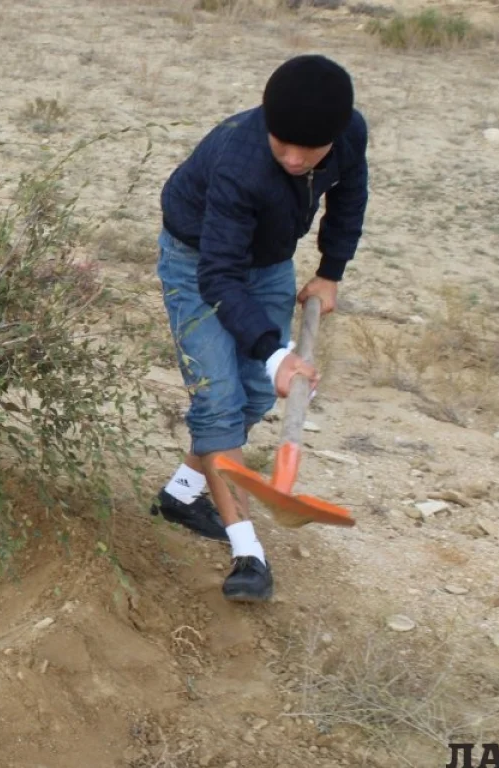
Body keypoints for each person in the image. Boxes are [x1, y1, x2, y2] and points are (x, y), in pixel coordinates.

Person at [150, 54, 369, 602]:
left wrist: (329, 273)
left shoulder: (348, 136)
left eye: (308, 150)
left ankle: (181, 494)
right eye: (282, 145)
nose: (294, 160)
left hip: (269, 262)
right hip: (198, 258)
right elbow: (219, 275)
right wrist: (277, 356)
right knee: (219, 400)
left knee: (250, 399)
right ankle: (248, 552)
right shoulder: (240, 162)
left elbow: (348, 196)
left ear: (335, 136)